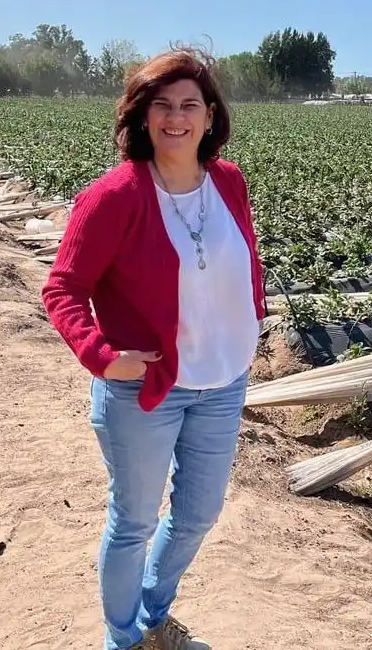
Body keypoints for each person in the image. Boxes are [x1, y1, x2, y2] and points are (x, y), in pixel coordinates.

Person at [41, 46, 267, 650]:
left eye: (190, 104)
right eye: (162, 104)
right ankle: (124, 638)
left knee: (198, 514)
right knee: (134, 521)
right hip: (144, 390)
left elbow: (238, 257)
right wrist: (100, 353)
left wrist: (252, 317)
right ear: (141, 116)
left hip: (222, 381)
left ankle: (151, 613)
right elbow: (63, 286)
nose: (176, 116)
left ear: (211, 115)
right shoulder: (114, 196)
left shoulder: (228, 181)